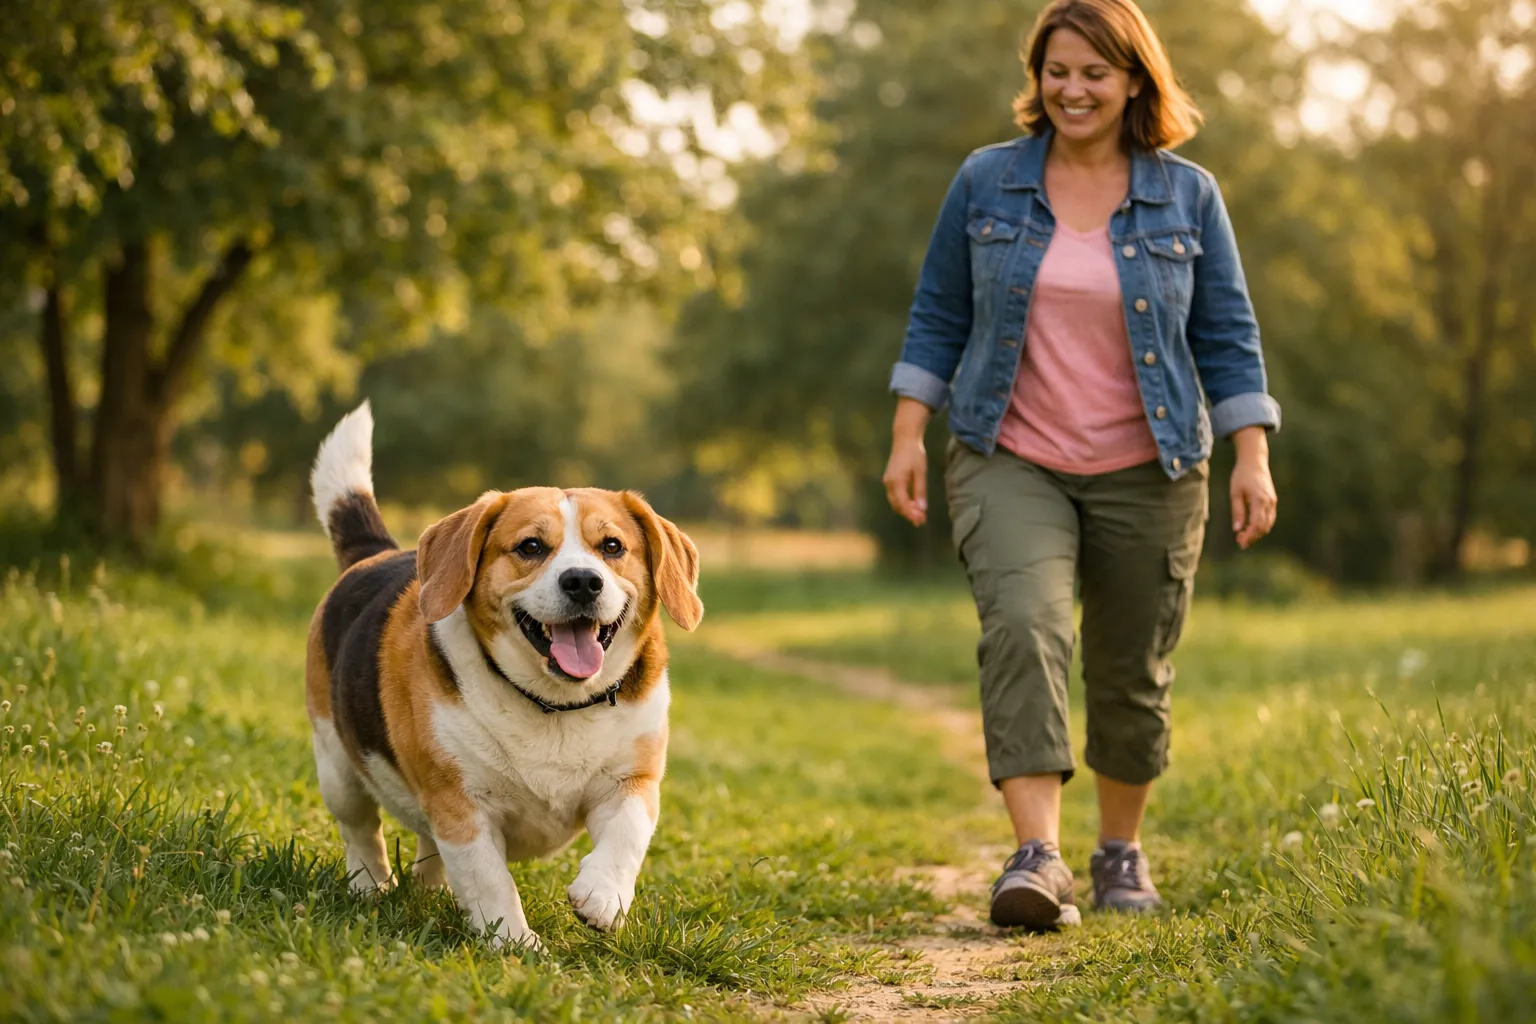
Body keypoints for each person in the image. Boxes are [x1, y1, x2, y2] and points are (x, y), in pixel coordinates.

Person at [882, 0, 1280, 930]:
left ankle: (1119, 852)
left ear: (1135, 79)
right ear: (1038, 78)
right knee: (1024, 628)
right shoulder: (986, 182)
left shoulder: (1188, 196)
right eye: (1056, 71)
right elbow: (938, 313)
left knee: (1132, 667)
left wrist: (1253, 455)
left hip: (1154, 463)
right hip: (1009, 452)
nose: (1073, 90)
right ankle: (1038, 855)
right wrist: (907, 433)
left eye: (1095, 73)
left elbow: (1226, 333)